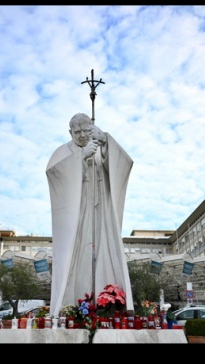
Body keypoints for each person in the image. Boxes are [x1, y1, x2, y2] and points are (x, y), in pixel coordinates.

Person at [46, 113, 134, 317]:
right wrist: (81, 157)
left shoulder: (99, 144)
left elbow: (124, 165)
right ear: (70, 132)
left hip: (100, 212)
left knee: (105, 251)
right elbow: (54, 175)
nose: (83, 135)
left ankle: (108, 306)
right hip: (76, 215)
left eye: (87, 130)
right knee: (76, 256)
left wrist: (106, 141)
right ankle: (71, 306)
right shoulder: (63, 152)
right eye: (77, 132)